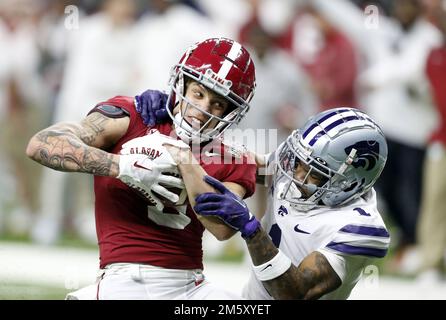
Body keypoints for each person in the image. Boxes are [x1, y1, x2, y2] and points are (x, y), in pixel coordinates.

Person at [25, 37, 257, 300]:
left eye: (218, 103)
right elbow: (41, 144)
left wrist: (184, 158)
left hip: (192, 288)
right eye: (198, 93)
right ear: (181, 84)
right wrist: (123, 165)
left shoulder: (234, 158)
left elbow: (222, 229)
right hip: (122, 281)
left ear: (231, 111)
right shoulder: (132, 116)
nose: (203, 110)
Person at [136, 101, 390, 299]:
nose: (295, 174)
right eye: (298, 161)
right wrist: (175, 124)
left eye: (314, 173)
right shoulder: (296, 166)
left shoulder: (360, 228)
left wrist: (252, 230)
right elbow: (243, 163)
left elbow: (295, 294)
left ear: (350, 183)